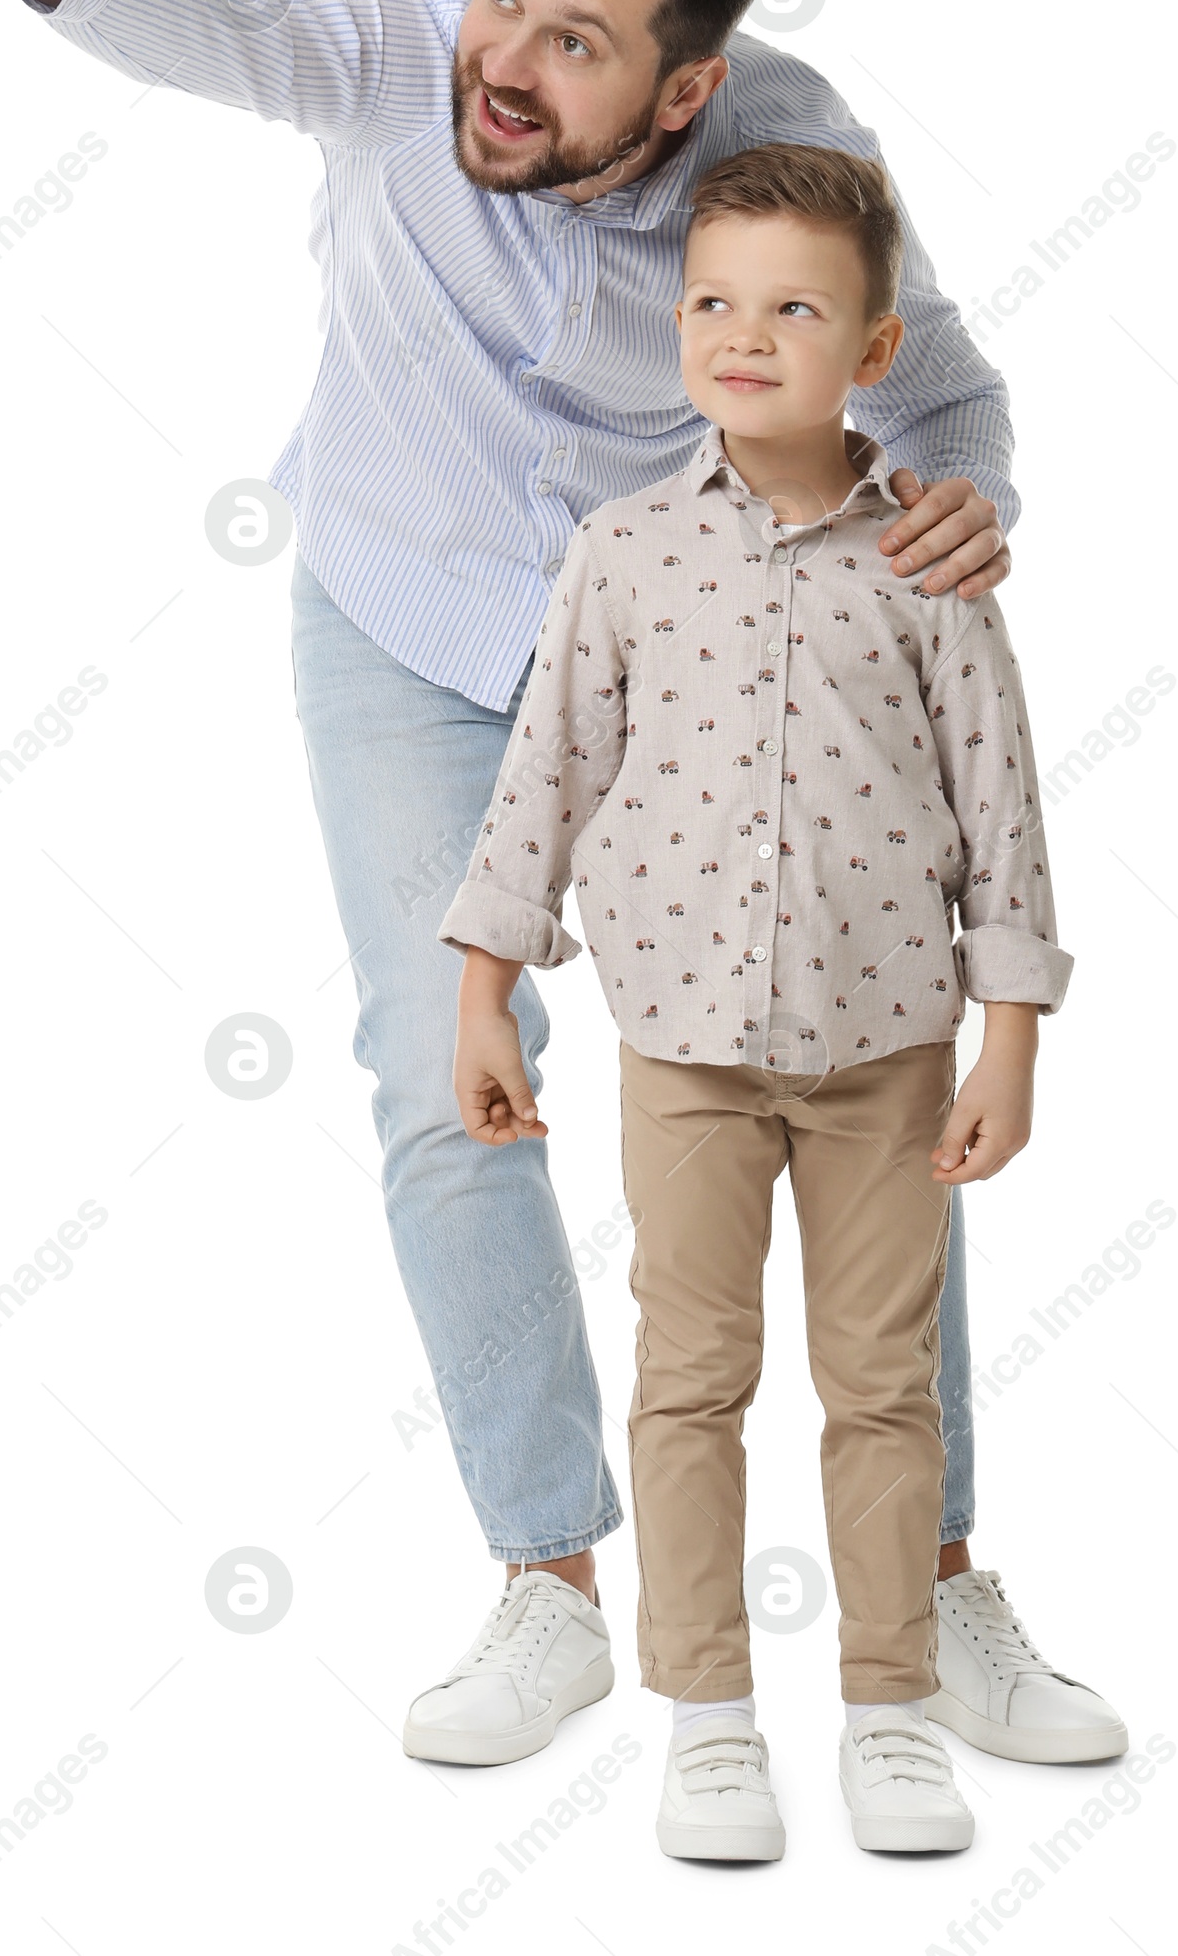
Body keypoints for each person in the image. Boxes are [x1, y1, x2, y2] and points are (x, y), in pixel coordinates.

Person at [0, 0, 1121, 1767]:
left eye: (575, 39)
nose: (506, 58)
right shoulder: (399, 39)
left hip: (676, 644)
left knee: (841, 1058)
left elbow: (933, 378)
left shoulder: (784, 153)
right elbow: (216, 2)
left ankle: (939, 1573)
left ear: (686, 78)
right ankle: (546, 1578)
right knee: (436, 1069)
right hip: (398, 628)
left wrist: (964, 496)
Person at [440, 140, 1083, 1853]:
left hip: (889, 1051)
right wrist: (484, 992)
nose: (742, 336)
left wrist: (1008, 1037)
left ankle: (890, 1708)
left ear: (873, 350)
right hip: (685, 1055)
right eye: (712, 302)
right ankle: (706, 1718)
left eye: (793, 308)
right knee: (690, 1380)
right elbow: (544, 774)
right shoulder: (626, 554)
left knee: (884, 1387)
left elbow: (1002, 804)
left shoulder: (934, 567)